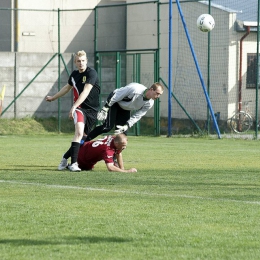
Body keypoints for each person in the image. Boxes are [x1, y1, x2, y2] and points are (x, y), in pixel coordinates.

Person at [46, 50, 100, 172]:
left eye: (83, 61)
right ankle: (74, 164)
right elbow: (67, 87)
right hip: (80, 109)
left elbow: (86, 90)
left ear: (86, 61)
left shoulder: (92, 73)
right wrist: (54, 97)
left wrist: (74, 106)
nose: (81, 63)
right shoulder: (74, 75)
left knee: (83, 139)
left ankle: (65, 158)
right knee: (79, 133)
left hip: (92, 111)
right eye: (78, 61)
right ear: (75, 62)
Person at [83, 82, 164, 143]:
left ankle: (114, 158)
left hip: (125, 108)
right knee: (107, 127)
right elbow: (116, 95)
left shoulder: (150, 103)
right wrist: (106, 108)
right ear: (151, 89)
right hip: (115, 101)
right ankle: (84, 141)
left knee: (122, 135)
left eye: (160, 94)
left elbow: (138, 115)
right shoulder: (135, 89)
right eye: (157, 93)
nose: (158, 96)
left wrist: (127, 125)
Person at [66, 134, 137, 173]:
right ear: (116, 143)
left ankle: (67, 161)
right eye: (123, 145)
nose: (124, 147)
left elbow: (118, 153)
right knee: (86, 169)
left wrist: (122, 169)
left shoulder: (114, 138)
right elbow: (110, 168)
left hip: (85, 147)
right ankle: (69, 165)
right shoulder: (107, 149)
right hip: (83, 158)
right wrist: (127, 171)